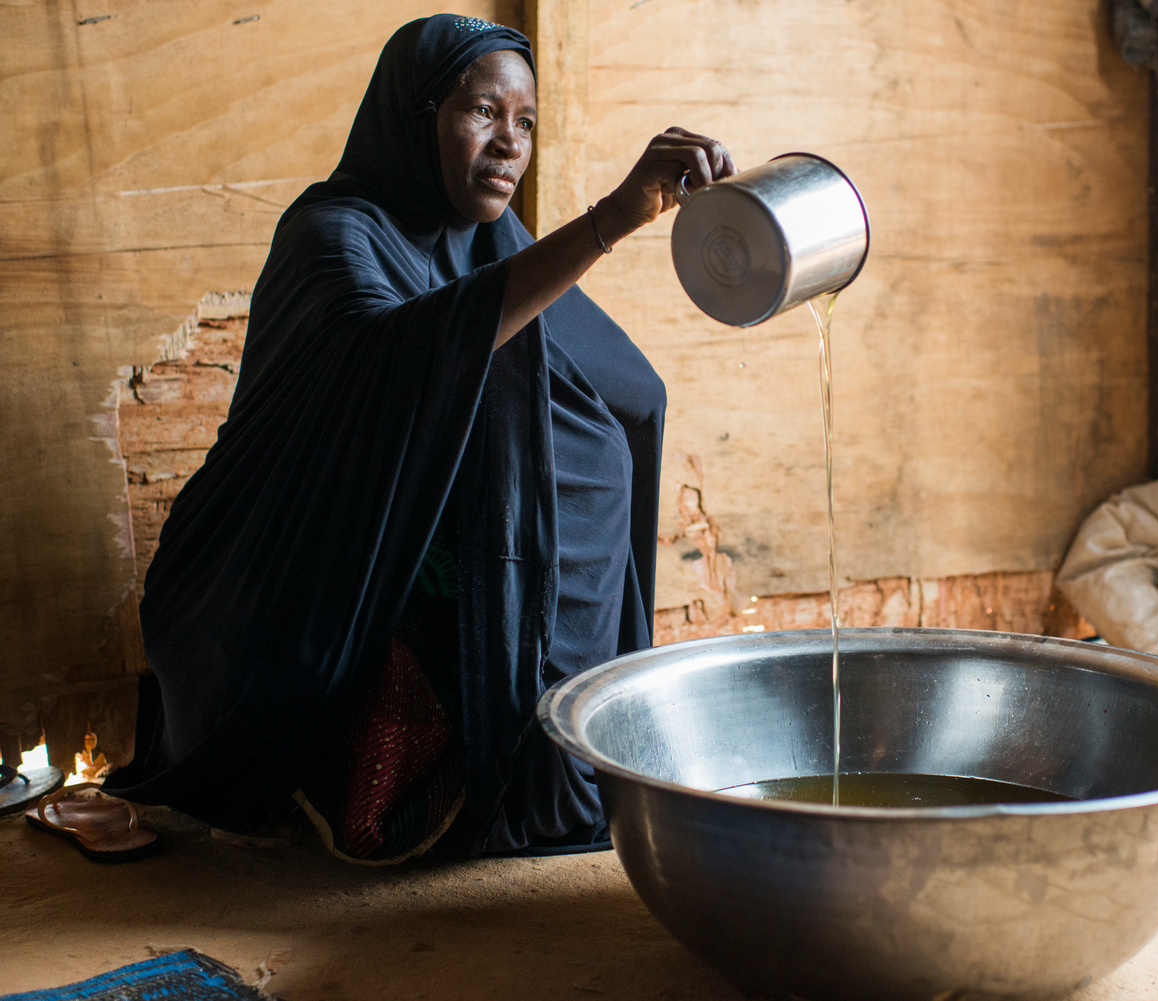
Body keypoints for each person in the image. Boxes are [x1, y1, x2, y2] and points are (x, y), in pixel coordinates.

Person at [101, 14, 736, 864]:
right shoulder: (331, 236)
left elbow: (624, 387)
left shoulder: (491, 241)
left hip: (405, 540)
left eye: (527, 123)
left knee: (583, 451)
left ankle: (548, 754)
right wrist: (611, 218)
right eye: (482, 112)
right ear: (414, 113)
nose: (510, 144)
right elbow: (401, 368)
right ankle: (397, 773)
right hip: (284, 570)